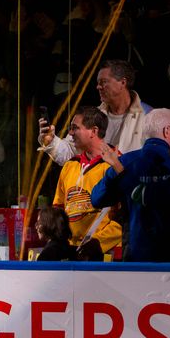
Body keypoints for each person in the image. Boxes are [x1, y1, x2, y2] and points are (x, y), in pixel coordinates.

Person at [91, 108, 170, 262]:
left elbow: (96, 199)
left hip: (136, 254)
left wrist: (117, 172)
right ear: (167, 131)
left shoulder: (123, 163)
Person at [38, 60, 153, 165]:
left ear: (122, 83)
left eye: (103, 82)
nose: (98, 87)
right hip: (97, 186)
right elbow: (70, 153)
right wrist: (51, 141)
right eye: (98, 82)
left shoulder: (149, 117)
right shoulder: (92, 116)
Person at [53, 106, 122, 260]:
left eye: (75, 128)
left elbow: (124, 215)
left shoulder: (116, 164)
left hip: (104, 252)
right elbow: (58, 208)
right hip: (71, 249)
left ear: (93, 131)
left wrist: (99, 243)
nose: (70, 133)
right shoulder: (69, 166)